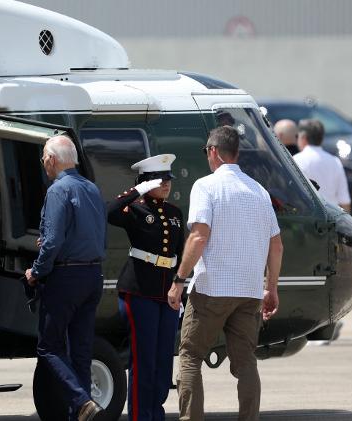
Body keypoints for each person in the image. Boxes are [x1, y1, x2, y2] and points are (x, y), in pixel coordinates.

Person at [167, 126, 283, 421]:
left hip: (212, 288)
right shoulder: (259, 191)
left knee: (191, 357)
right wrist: (272, 289)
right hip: (249, 292)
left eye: (207, 152)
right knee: (246, 363)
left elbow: (198, 237)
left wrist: (179, 279)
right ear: (237, 153)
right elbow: (277, 246)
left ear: (214, 152)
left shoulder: (205, 186)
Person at [25, 135, 107, 421]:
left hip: (66, 276)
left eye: (44, 158)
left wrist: (36, 272)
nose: (43, 164)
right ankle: (81, 414)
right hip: (92, 274)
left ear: (51, 159)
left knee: (48, 348)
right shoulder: (92, 188)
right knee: (81, 352)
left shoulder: (58, 190)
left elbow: (53, 241)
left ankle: (82, 401)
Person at [107, 154, 185, 421]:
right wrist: (136, 191)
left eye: (168, 179)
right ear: (145, 183)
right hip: (139, 290)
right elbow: (109, 212)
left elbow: (181, 253)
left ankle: (157, 414)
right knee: (144, 360)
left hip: (167, 294)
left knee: (163, 361)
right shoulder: (135, 209)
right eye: (159, 180)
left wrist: (180, 284)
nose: (166, 184)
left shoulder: (175, 213)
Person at [293, 119, 351, 212]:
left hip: (308, 218)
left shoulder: (296, 160)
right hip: (333, 218)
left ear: (303, 137)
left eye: (297, 136)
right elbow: (344, 201)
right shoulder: (335, 161)